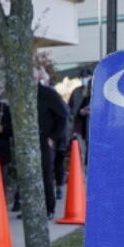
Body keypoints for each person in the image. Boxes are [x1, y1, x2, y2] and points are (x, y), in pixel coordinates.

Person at [34, 68, 69, 217]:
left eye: (32, 76)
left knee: (46, 175)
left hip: (44, 141)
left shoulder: (48, 94)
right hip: (29, 141)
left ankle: (49, 208)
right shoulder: (22, 96)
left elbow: (63, 116)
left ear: (37, 78)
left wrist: (52, 138)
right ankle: (32, 207)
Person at [68, 68, 93, 164]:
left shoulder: (97, 92)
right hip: (79, 128)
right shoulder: (76, 92)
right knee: (81, 155)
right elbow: (70, 110)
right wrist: (80, 112)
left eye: (87, 77)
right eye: (82, 77)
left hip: (93, 129)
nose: (85, 79)